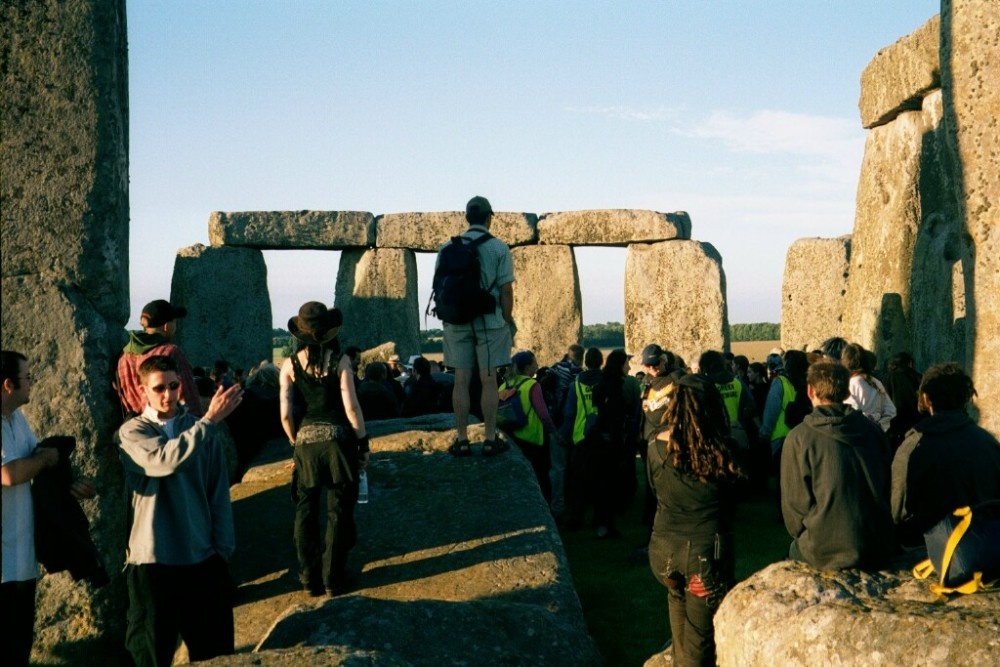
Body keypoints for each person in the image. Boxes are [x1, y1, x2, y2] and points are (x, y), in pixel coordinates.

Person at [118, 354, 244, 667]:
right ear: (142, 389)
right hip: (152, 562)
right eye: (159, 388)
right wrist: (210, 422)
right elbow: (164, 461)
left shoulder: (199, 428)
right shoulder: (132, 433)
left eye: (174, 386)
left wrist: (223, 550)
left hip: (202, 559)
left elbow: (218, 492)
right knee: (151, 655)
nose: (168, 394)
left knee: (216, 655)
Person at [2, 351, 96, 667]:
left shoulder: (17, 420)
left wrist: (72, 483)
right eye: (27, 377)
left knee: (17, 651)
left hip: (20, 562)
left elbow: (39, 460)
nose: (32, 383)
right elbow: (9, 474)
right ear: (7, 384)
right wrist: (45, 460)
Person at [647, 373, 745, 667]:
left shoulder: (655, 447)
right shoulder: (723, 450)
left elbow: (654, 491)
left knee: (677, 604)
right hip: (704, 556)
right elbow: (734, 502)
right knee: (700, 642)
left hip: (663, 549)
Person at [279, 302, 369, 597]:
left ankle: (308, 576)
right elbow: (351, 408)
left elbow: (285, 413)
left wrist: (295, 443)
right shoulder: (340, 361)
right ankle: (332, 577)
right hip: (339, 441)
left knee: (305, 510)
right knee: (338, 510)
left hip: (305, 441)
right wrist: (363, 443)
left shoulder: (289, 365)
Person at [780, 362, 895, 571]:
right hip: (876, 542)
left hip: (823, 549)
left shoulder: (798, 438)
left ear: (810, 390)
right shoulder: (873, 431)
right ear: (846, 391)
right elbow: (887, 486)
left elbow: (794, 509)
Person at [438, 196, 515, 457]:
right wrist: (506, 320)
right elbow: (506, 290)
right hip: (489, 321)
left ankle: (461, 439)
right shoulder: (499, 248)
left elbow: (440, 288)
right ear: (488, 217)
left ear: (467, 217)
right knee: (489, 379)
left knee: (461, 379)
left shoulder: (448, 246)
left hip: (457, 320)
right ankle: (490, 438)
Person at [890, 363, 1000, 546]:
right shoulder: (988, 442)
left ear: (926, 398)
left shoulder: (914, 446)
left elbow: (897, 510)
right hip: (982, 540)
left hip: (930, 544)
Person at [117, 299, 202, 419]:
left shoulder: (124, 356)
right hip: (170, 428)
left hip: (139, 428)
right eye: (174, 322)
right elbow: (187, 396)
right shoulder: (171, 352)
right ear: (167, 326)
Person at [589, 349, 640, 538]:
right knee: (610, 484)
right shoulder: (615, 387)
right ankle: (605, 526)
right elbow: (614, 418)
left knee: (602, 483)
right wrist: (620, 445)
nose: (629, 366)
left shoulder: (603, 384)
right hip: (609, 442)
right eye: (627, 363)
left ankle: (601, 521)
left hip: (599, 439)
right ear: (619, 365)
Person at [499, 351, 559, 502]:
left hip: (512, 438)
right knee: (541, 478)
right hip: (533, 439)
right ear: (527, 367)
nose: (537, 365)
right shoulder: (532, 385)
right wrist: (553, 433)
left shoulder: (503, 386)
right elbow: (543, 414)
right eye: (534, 363)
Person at [560, 347, 604, 528]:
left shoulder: (576, 385)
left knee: (578, 481)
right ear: (601, 362)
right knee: (601, 480)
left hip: (580, 437)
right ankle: (600, 518)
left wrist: (564, 434)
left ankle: (577, 517)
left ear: (585, 363)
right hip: (602, 436)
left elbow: (569, 414)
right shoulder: (606, 382)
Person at [841, 343, 896, 432]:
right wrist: (879, 424)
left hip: (858, 436)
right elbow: (891, 410)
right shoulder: (876, 382)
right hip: (876, 435)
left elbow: (849, 415)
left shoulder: (850, 384)